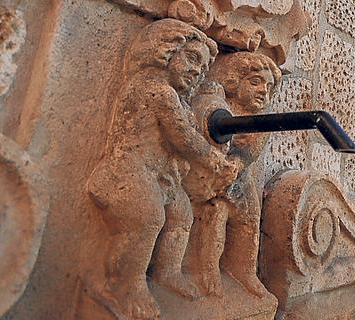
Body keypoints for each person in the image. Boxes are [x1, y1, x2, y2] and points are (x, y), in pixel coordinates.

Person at [86, 19, 239, 319]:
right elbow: (182, 137)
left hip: (159, 180)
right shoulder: (155, 89)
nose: (197, 69)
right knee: (148, 219)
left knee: (181, 216)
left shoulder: (177, 97)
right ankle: (123, 285)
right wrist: (213, 159)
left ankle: (167, 272)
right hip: (127, 172)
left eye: (203, 66)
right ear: (165, 51)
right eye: (192, 58)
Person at [187, 51, 280, 298]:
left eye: (269, 86)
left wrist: (237, 164)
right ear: (233, 82)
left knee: (249, 220)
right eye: (255, 82)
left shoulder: (262, 121)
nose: (263, 90)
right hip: (211, 174)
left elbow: (250, 152)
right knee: (216, 215)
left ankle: (245, 271)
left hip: (239, 175)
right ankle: (208, 271)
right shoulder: (221, 107)